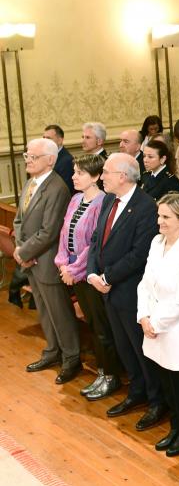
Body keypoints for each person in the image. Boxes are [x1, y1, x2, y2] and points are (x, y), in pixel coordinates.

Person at [87, 154, 165, 430]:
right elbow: (97, 239)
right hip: (107, 288)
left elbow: (139, 254)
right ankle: (136, 392)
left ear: (123, 176)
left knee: (140, 348)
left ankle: (157, 401)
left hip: (131, 291)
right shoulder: (109, 200)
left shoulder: (145, 206)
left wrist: (107, 276)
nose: (102, 176)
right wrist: (94, 273)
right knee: (123, 346)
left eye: (106, 171)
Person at [137, 193, 179, 456]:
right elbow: (145, 282)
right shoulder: (156, 242)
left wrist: (156, 323)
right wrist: (143, 317)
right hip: (152, 323)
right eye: (159, 215)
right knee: (165, 382)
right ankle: (175, 427)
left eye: (166, 217)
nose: (159, 221)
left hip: (176, 330)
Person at [55, 154, 122, 399]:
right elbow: (65, 233)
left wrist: (74, 270)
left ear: (95, 177)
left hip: (89, 273)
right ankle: (102, 372)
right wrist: (63, 263)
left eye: (79, 172)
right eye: (74, 172)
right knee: (92, 324)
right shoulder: (75, 199)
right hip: (72, 272)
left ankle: (111, 376)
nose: (73, 176)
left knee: (102, 327)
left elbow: (94, 244)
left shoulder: (103, 202)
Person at [17, 138, 79, 383]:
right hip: (32, 259)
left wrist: (23, 253)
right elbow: (20, 219)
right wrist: (22, 249)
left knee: (60, 313)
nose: (28, 161)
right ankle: (52, 351)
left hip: (47, 261)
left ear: (50, 160)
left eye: (34, 157)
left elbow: (49, 231)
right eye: (27, 156)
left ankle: (71, 358)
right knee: (44, 311)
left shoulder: (57, 188)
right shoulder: (31, 182)